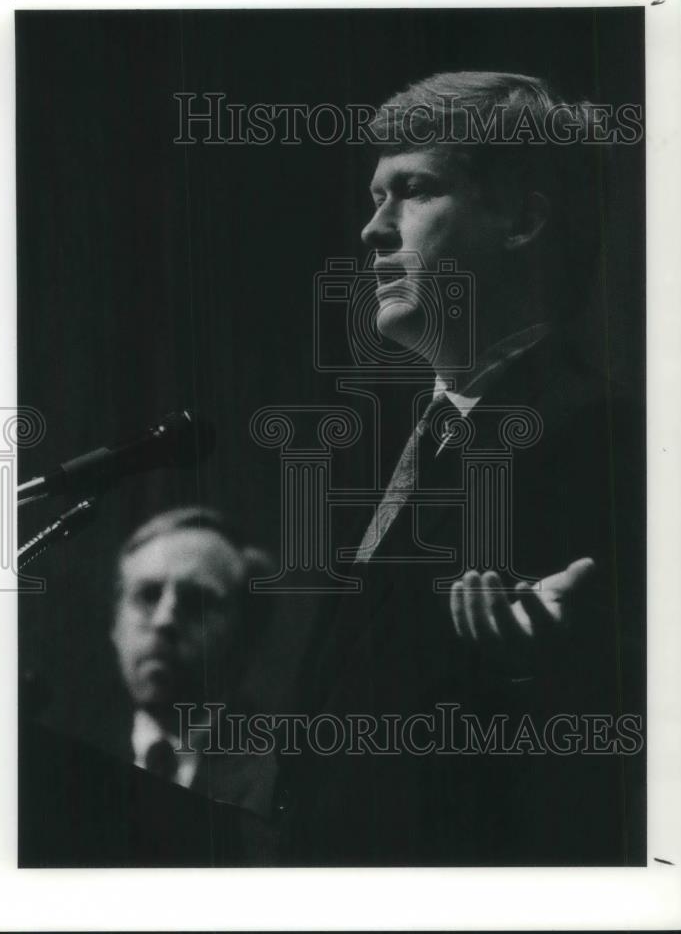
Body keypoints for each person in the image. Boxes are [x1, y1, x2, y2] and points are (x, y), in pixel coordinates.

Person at [275, 72, 645, 865]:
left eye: (413, 191)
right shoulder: (392, 449)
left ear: (521, 218)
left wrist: (542, 678)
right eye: (374, 196)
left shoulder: (610, 443)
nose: (374, 230)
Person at [110, 505, 277, 820]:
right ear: (114, 624)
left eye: (196, 601)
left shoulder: (276, 776)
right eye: (147, 595)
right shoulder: (62, 759)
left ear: (247, 632)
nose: (164, 621)